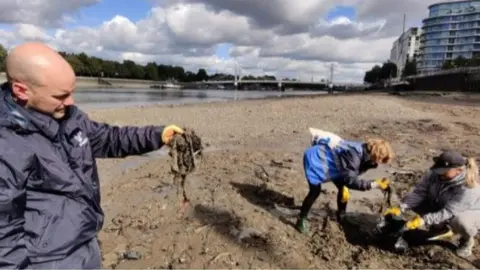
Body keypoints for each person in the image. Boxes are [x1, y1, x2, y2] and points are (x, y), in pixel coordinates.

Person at [0, 42, 184, 269]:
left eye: (72, 92)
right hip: (47, 260)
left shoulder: (68, 116)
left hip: (86, 242)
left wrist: (157, 136)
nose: (70, 102)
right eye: (61, 95)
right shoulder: (7, 143)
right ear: (21, 90)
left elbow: (108, 138)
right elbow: (4, 230)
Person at [295, 128, 395, 234]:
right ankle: (301, 220)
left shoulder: (367, 154)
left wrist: (375, 182)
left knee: (344, 190)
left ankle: (341, 216)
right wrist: (374, 184)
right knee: (315, 192)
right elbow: (350, 180)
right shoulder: (354, 154)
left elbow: (351, 175)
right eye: (381, 159)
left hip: (336, 166)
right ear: (376, 154)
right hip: (317, 160)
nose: (380, 163)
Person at [384, 150, 480, 258]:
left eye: (444, 171)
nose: (439, 173)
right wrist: (401, 207)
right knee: (412, 200)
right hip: (443, 203)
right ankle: (440, 228)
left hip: (469, 212)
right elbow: (419, 192)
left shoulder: (469, 188)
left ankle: (467, 241)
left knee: (459, 221)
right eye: (439, 169)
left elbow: (449, 211)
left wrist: (424, 220)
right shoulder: (435, 173)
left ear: (458, 170)